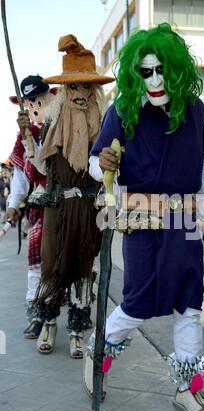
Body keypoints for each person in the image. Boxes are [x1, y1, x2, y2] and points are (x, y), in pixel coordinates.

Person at [86, 23, 204, 411]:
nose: (156, 79)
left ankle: (188, 388)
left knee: (189, 302)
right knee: (138, 302)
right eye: (146, 72)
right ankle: (98, 358)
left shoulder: (193, 110)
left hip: (186, 219)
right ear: (134, 74)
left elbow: (202, 170)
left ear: (175, 69)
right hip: (140, 216)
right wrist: (104, 164)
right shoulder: (123, 109)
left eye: (162, 69)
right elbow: (96, 164)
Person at [17, 35, 114, 358]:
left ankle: (76, 328)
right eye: (74, 88)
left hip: (88, 208)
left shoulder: (103, 127)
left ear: (95, 91)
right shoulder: (52, 126)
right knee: (51, 266)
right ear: (64, 92)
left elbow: (107, 171)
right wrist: (29, 141)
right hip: (57, 206)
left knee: (83, 268)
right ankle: (48, 323)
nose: (80, 94)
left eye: (86, 88)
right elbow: (42, 167)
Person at [6, 76, 57, 337]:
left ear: (49, 98)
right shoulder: (24, 136)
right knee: (37, 263)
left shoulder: (61, 127)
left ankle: (77, 317)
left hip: (66, 203)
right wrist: (14, 205)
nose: (35, 107)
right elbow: (21, 176)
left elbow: (47, 166)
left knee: (73, 261)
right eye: (29, 103)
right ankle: (38, 315)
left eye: (39, 100)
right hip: (39, 207)